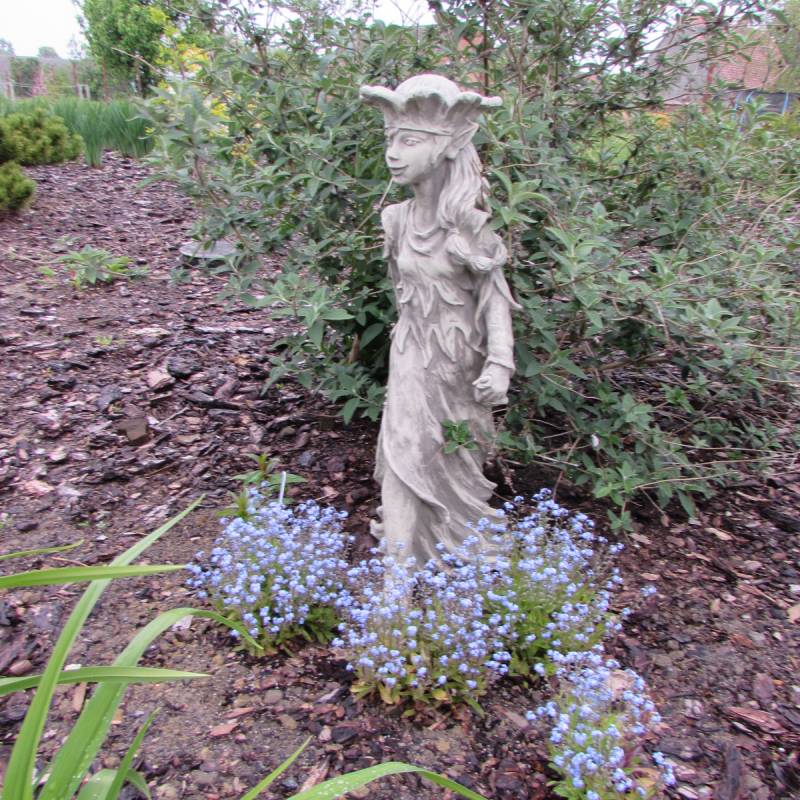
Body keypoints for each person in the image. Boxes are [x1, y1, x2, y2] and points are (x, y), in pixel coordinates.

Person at [360, 73, 518, 565]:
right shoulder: (396, 220)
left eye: (409, 142)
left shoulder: (470, 224)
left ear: (446, 146)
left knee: (452, 455)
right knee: (404, 448)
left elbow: (494, 297)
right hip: (412, 351)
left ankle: (448, 549)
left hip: (462, 364)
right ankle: (397, 576)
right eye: (391, 140)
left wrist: (500, 363)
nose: (393, 153)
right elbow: (401, 292)